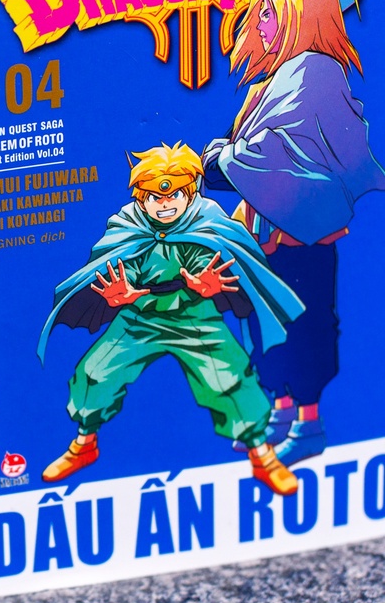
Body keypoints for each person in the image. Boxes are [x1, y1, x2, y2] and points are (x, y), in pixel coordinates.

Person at [37, 142, 305, 495]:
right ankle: (84, 444)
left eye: (174, 194)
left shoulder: (208, 221)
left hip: (195, 319)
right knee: (94, 373)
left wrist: (208, 287)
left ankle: (261, 454)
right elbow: (120, 266)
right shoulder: (127, 224)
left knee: (229, 380)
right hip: (139, 319)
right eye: (155, 197)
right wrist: (123, 293)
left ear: (189, 192)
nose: (165, 204)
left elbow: (215, 266)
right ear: (141, 197)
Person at [202, 0, 385, 466]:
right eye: (259, 12)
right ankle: (280, 412)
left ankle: (308, 424)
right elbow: (253, 147)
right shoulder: (273, 81)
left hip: (303, 235)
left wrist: (224, 161)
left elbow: (284, 154)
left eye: (270, 12)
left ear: (302, 16)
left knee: (304, 323)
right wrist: (229, 157)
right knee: (263, 320)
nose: (260, 22)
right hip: (263, 233)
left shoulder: (315, 71)